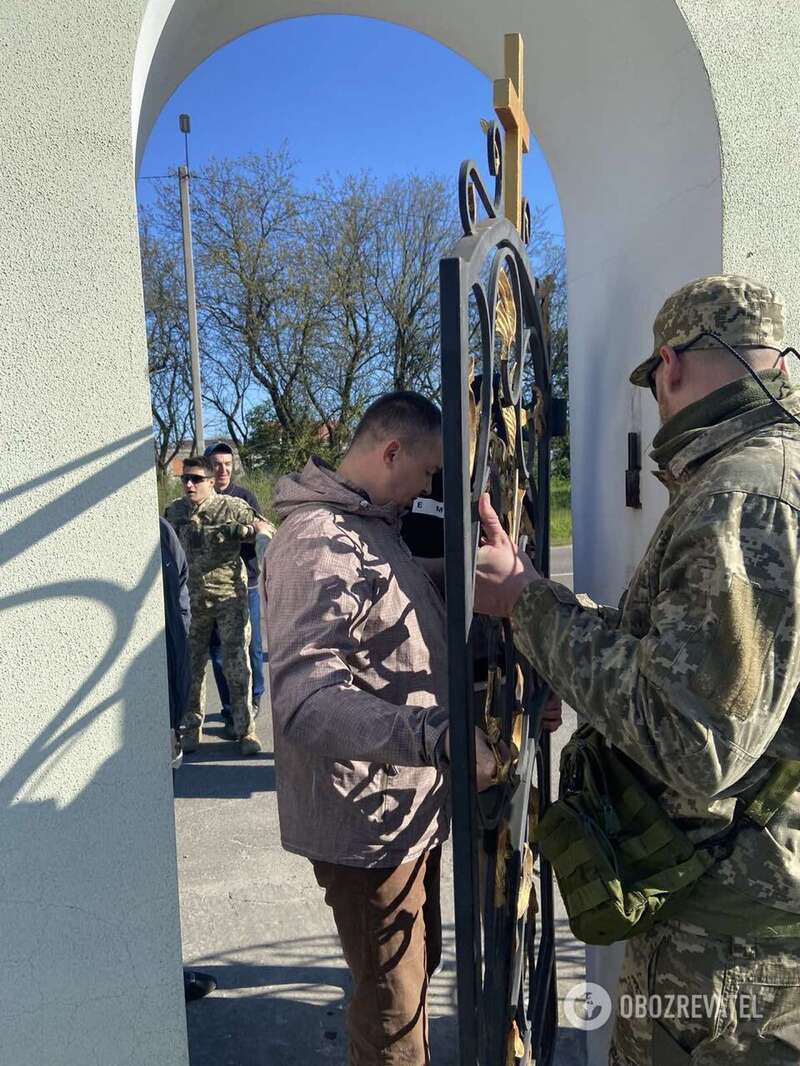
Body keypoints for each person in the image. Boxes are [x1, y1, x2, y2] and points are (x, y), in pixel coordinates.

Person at [473, 275, 800, 1064]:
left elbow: (694, 742)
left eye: (653, 380)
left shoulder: (742, 497)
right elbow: (685, 662)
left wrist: (525, 605)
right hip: (741, 915)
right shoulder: (768, 473)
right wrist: (547, 611)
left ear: (671, 365)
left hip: (726, 947)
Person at [262, 391, 501, 1066]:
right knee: (393, 1006)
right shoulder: (316, 541)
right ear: (390, 452)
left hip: (396, 810)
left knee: (412, 975)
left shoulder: (367, 527)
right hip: (365, 822)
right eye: (426, 473)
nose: (429, 489)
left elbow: (383, 595)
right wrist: (438, 736)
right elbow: (305, 701)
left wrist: (464, 578)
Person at [164, 454, 269, 756]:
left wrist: (251, 534)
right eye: (186, 478)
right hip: (192, 602)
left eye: (196, 479)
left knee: (237, 666)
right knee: (192, 666)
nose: (189, 484)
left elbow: (266, 528)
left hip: (228, 600)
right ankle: (191, 727)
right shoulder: (175, 512)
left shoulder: (231, 507)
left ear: (211, 482)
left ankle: (245, 730)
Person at [158, 517, 217, 1003]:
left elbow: (178, 625)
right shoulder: (159, 529)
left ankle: (158, 965)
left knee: (150, 854)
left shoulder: (158, 533)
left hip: (141, 721)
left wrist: (175, 713)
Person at [204, 442, 273, 734]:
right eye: (217, 464)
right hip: (210, 588)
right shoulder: (200, 500)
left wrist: (246, 535)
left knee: (251, 646)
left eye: (227, 464)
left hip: (247, 586)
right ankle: (231, 705)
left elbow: (263, 529)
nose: (223, 469)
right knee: (218, 652)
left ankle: (254, 698)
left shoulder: (244, 498)